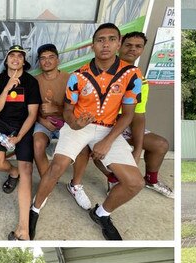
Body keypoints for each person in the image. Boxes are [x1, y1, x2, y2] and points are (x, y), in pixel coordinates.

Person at [28, 23, 144, 241]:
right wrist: (74, 123)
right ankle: (34, 211)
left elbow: (128, 114)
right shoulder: (78, 76)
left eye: (111, 39)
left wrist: (107, 142)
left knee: (135, 182)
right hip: (79, 127)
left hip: (109, 130)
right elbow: (68, 110)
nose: (106, 44)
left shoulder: (132, 74)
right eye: (100, 40)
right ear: (93, 45)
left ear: (118, 44)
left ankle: (102, 214)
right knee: (57, 167)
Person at [69, 31, 173, 208]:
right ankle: (109, 178)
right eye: (128, 45)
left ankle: (151, 180)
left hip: (122, 127)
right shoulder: (97, 71)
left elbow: (138, 115)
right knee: (95, 148)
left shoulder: (140, 78)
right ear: (120, 46)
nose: (132, 49)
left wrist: (137, 150)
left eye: (138, 46)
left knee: (161, 144)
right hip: (99, 125)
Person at [0, 45, 41, 241]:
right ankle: (12, 171)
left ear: (24, 61)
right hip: (1, 125)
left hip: (23, 127)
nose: (16, 59)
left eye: (20, 56)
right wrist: (8, 87)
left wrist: (18, 137)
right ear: (6, 60)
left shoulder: (31, 82)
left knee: (26, 170)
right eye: (12, 55)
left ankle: (23, 229)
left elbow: (33, 114)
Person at [33, 43, 70, 180]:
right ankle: (46, 181)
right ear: (39, 62)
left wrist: (57, 108)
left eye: (51, 57)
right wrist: (43, 121)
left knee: (79, 148)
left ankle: (75, 184)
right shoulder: (34, 81)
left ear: (57, 60)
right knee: (37, 144)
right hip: (43, 122)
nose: (47, 61)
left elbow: (78, 107)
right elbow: (31, 109)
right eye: (43, 58)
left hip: (67, 120)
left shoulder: (69, 78)